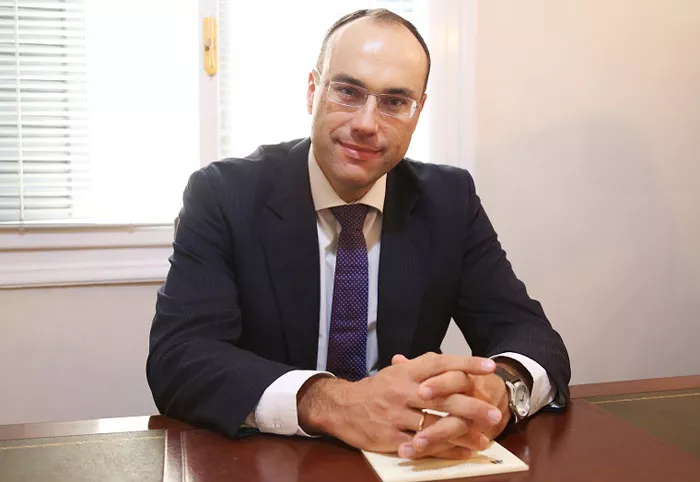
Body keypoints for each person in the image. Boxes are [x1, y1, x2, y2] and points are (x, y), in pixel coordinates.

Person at [147, 8, 570, 460]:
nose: (367, 123)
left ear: (417, 112)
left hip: (406, 459)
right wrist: (332, 402)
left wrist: (500, 390)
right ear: (312, 91)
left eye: (394, 102)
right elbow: (180, 357)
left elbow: (530, 334)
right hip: (270, 460)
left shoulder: (449, 200)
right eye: (348, 92)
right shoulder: (224, 194)